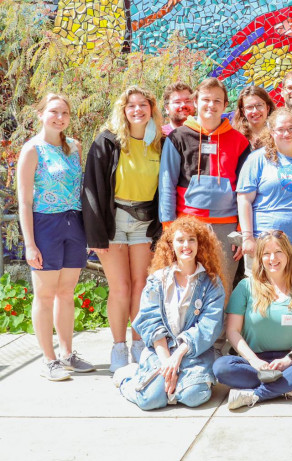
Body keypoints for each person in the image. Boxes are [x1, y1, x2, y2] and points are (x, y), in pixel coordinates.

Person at [82, 85, 164, 372]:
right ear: (124, 110)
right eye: (132, 105)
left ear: (152, 108)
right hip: (113, 221)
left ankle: (139, 343)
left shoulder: (160, 142)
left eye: (143, 104)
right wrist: (95, 234)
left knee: (141, 287)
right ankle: (119, 346)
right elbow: (91, 189)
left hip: (144, 222)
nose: (138, 110)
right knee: (120, 287)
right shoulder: (107, 141)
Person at [17, 93, 95, 380]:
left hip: (73, 223)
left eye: (64, 112)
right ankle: (48, 360)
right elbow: (24, 201)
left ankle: (67, 353)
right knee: (46, 293)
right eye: (53, 112)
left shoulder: (74, 146)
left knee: (66, 292)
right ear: (41, 114)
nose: (59, 117)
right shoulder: (32, 150)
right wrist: (29, 243)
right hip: (45, 225)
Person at [112, 217, 225, 410]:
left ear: (200, 244)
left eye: (192, 240)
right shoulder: (158, 280)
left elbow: (209, 326)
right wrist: (167, 363)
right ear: (171, 245)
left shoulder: (211, 283)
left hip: (192, 352)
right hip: (161, 350)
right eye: (180, 240)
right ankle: (127, 378)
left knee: (194, 396)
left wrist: (178, 357)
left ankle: (178, 385)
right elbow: (150, 321)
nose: (186, 245)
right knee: (150, 400)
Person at [213, 231, 292, 409]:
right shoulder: (245, 287)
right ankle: (290, 387)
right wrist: (255, 362)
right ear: (259, 258)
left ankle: (257, 394)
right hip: (255, 363)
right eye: (266, 253)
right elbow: (233, 332)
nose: (272, 258)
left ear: (288, 255)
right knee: (221, 367)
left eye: (278, 252)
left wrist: (289, 359)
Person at [159, 78, 250, 292]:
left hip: (226, 225)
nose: (211, 105)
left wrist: (240, 230)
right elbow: (167, 184)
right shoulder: (177, 138)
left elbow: (246, 191)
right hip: (188, 223)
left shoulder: (239, 141)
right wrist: (169, 228)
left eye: (217, 100)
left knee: (222, 286)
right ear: (196, 102)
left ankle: (221, 327)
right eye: (206, 99)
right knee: (188, 286)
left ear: (225, 105)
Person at [237, 108, 292, 277]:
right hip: (263, 242)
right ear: (272, 131)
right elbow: (244, 199)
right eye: (281, 129)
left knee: (291, 295)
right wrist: (247, 237)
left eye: (291, 128)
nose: (287, 133)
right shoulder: (257, 159)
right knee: (261, 294)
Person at [231, 85, 276, 150]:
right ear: (243, 111)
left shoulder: (278, 133)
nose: (255, 111)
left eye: (259, 105)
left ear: (267, 108)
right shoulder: (236, 138)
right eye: (249, 107)